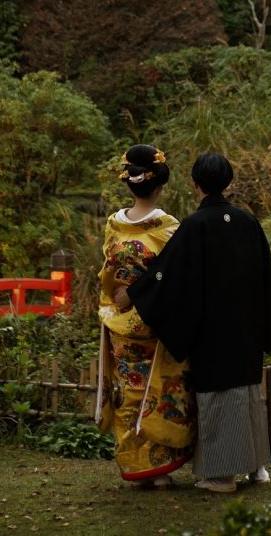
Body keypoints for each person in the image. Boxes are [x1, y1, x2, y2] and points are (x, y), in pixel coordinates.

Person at [118, 150, 271, 494]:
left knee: (220, 395)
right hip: (247, 326)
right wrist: (265, 322)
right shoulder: (248, 222)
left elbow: (167, 273)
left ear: (195, 184)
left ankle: (222, 476)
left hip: (213, 329)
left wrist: (134, 293)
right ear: (229, 183)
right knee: (247, 392)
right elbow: (268, 277)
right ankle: (256, 467)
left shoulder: (195, 225)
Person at [96, 143, 196, 487]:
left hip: (120, 321)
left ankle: (137, 469)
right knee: (158, 390)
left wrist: (117, 300)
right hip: (155, 322)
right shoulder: (169, 229)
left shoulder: (114, 226)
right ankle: (159, 467)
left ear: (130, 184)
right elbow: (179, 279)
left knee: (129, 390)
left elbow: (106, 275)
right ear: (160, 184)